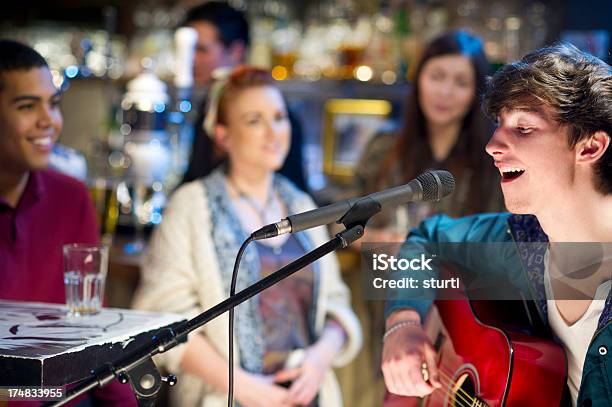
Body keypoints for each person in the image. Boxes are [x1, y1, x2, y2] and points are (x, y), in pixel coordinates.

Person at [381, 44, 612, 407]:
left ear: (589, 147)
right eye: (498, 126)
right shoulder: (517, 240)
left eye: (523, 128)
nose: (492, 146)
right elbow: (426, 240)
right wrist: (403, 323)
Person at [132, 66, 362, 407]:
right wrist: (246, 388)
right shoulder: (192, 206)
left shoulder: (302, 205)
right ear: (223, 135)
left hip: (308, 398)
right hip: (223, 398)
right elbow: (164, 321)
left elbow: (335, 306)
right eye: (255, 120)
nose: (274, 132)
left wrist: (318, 360)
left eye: (279, 117)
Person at [0, 39, 136, 406]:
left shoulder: (71, 197)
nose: (49, 121)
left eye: (53, 104)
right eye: (28, 106)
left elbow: (94, 330)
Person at [354, 30, 503, 242]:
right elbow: (339, 224)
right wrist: (386, 242)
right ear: (419, 80)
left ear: (476, 92)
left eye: (461, 83)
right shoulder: (384, 147)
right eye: (437, 77)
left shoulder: (496, 160)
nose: (445, 92)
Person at [180, 1, 307, 190]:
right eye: (187, 49)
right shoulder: (210, 103)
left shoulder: (280, 116)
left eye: (201, 49)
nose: (191, 59)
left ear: (236, 51)